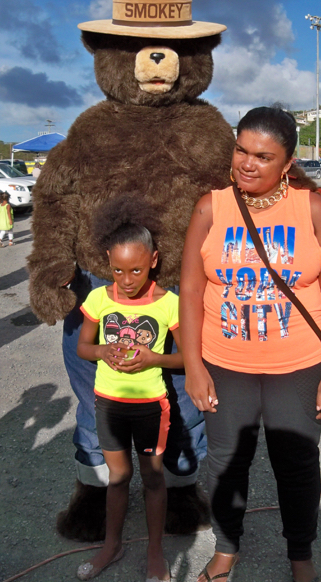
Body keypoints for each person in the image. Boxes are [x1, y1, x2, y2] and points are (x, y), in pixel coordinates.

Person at [180, 106, 321, 582]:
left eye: (262, 155)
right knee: (225, 463)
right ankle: (227, 546)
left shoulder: (311, 207)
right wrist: (193, 365)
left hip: (298, 366)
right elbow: (191, 290)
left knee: (295, 464)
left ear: (288, 162)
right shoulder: (210, 207)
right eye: (240, 150)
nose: (246, 163)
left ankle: (300, 554)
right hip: (224, 364)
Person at [76, 196, 182, 581]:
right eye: (118, 270)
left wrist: (153, 359)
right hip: (108, 403)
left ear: (153, 260)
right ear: (108, 262)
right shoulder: (98, 298)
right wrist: (103, 349)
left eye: (136, 269)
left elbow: (187, 359)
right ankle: (112, 545)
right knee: (117, 478)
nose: (126, 279)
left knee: (153, 478)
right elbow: (83, 347)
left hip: (151, 406)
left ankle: (155, 551)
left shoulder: (169, 303)